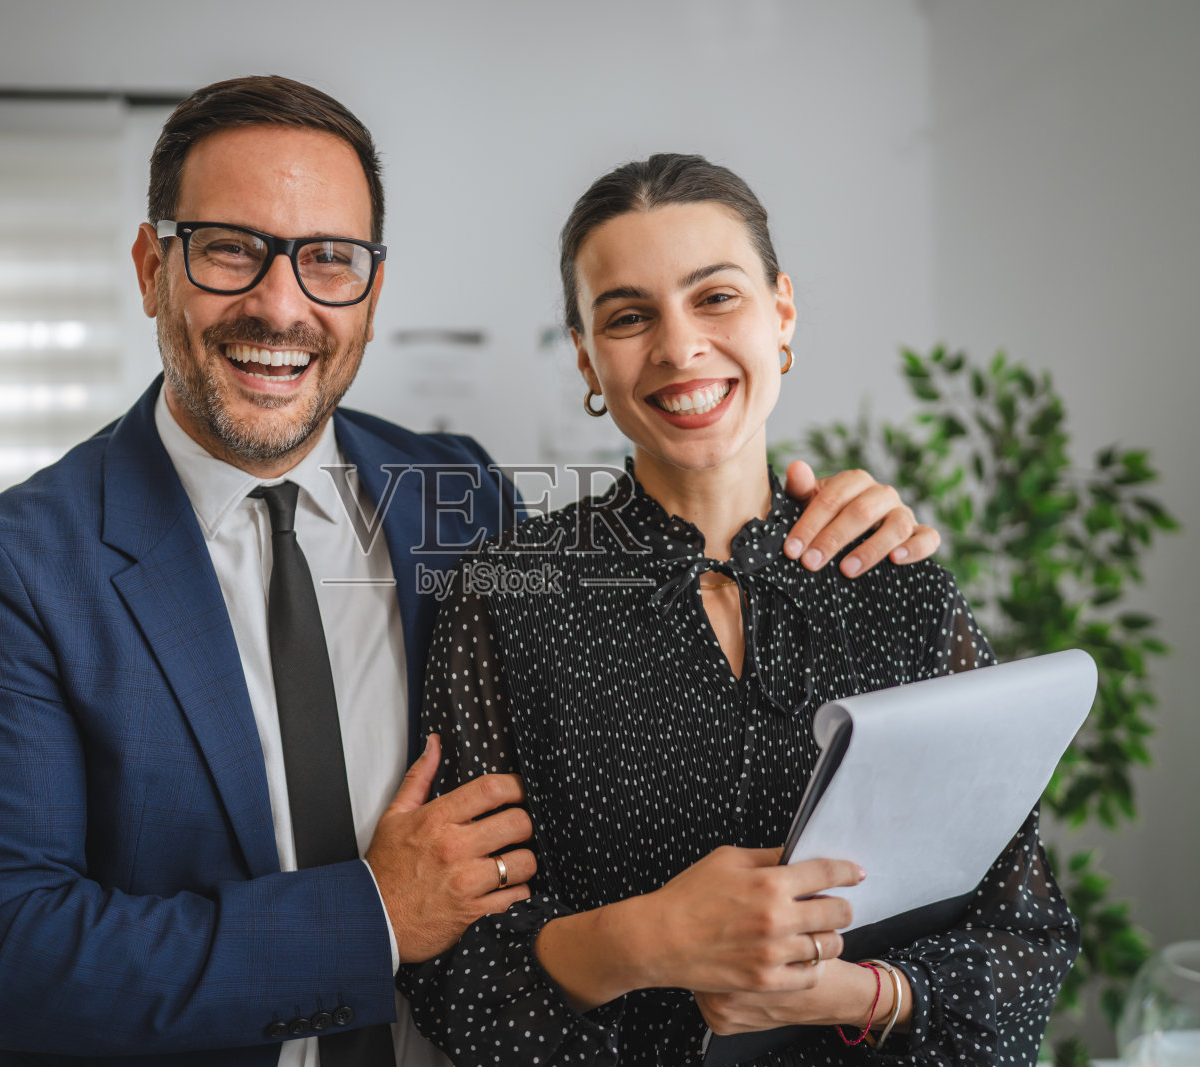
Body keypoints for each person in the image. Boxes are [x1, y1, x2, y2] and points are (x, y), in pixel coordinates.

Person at [0, 77, 941, 1067]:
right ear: (150, 267)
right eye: (228, 251)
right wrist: (373, 914)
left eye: (329, 259)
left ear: (371, 286)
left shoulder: (461, 498)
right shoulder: (14, 562)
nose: (280, 303)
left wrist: (844, 519)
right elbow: (4, 954)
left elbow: (656, 624)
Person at [397, 153, 1081, 1066]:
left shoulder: (897, 575)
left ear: (781, 312)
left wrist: (843, 991)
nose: (679, 347)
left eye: (714, 296)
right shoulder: (506, 594)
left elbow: (1024, 938)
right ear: (586, 356)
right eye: (629, 316)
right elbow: (454, 977)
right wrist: (646, 939)